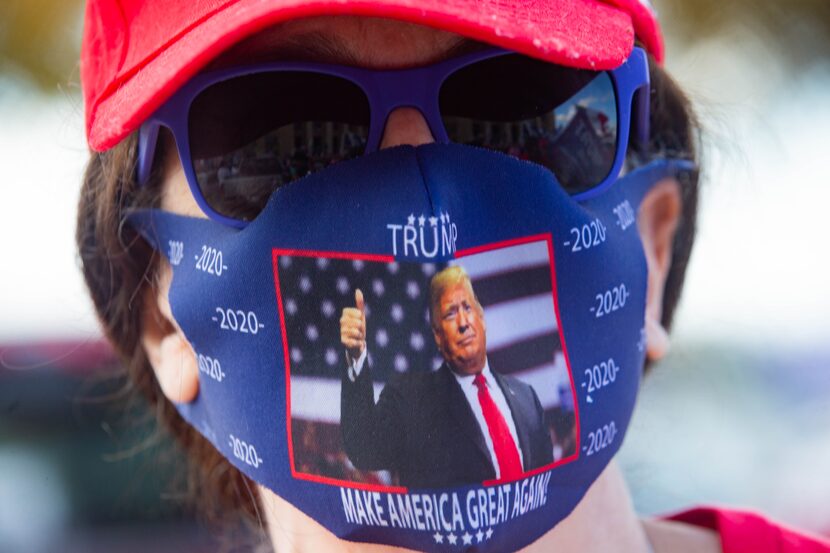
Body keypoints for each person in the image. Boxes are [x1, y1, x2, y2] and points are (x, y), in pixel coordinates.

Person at [75, 1, 830, 552]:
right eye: (289, 141)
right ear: (161, 314)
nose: (429, 195)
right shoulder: (394, 400)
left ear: (653, 252)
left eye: (511, 118)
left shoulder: (528, 402)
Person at [339, 265, 552, 487]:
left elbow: (548, 490)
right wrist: (356, 356)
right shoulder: (411, 398)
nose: (463, 323)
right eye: (451, 313)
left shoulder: (527, 399)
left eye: (467, 308)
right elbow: (363, 448)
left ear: (482, 320)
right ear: (438, 336)